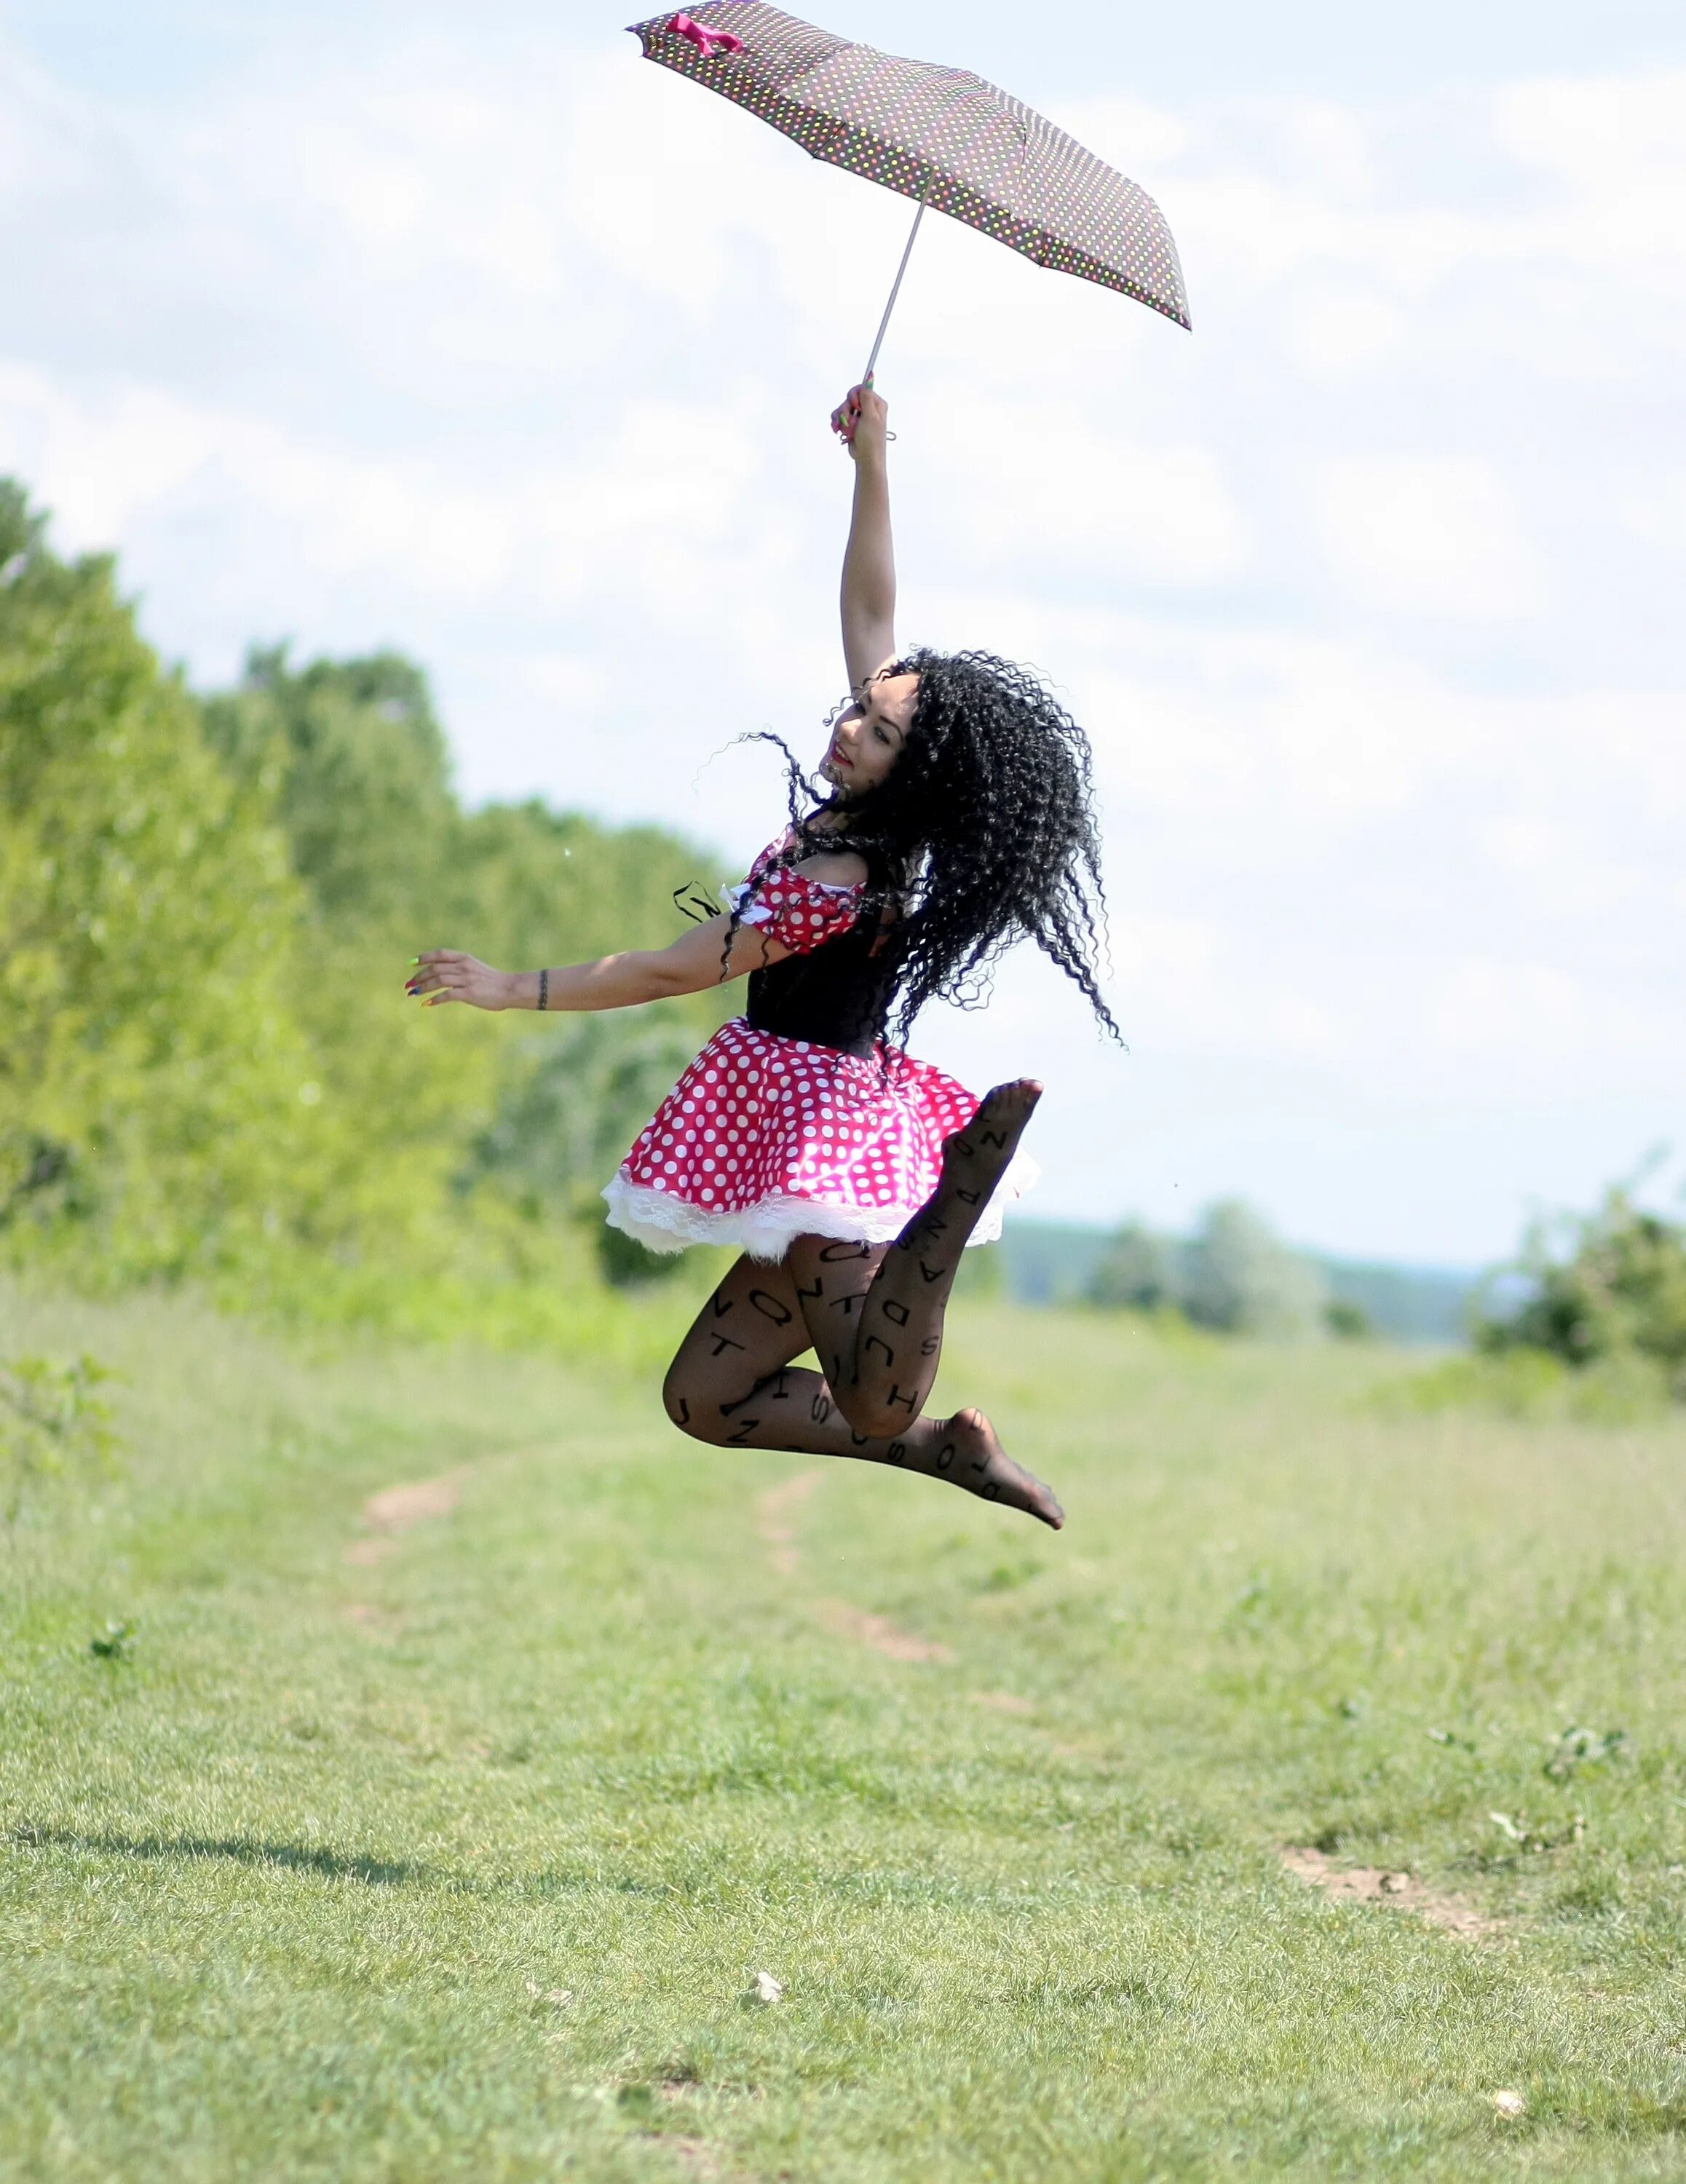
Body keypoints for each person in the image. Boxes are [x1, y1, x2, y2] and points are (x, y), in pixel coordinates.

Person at [407, 381, 1120, 1530]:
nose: (849, 724)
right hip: (788, 1112)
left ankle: (957, 1190)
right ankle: (949, 1453)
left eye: (877, 730)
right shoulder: (856, 816)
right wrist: (873, 459)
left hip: (819, 1134)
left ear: (912, 770)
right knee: (704, 1397)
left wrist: (514, 988)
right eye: (859, 710)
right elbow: (873, 610)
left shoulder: (841, 878)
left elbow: (672, 970)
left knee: (875, 1401)